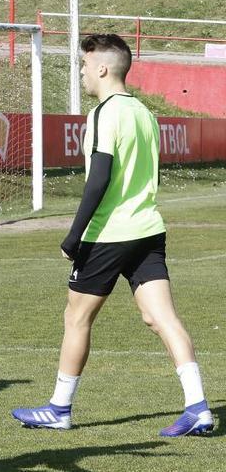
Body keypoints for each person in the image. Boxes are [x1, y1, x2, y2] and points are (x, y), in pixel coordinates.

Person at [11, 34, 213, 437]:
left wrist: (74, 234)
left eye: (84, 65)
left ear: (102, 67)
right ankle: (199, 407)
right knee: (161, 317)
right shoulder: (145, 113)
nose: (82, 72)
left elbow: (99, 177)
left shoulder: (105, 113)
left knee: (76, 317)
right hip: (148, 229)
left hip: (109, 233)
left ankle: (59, 409)